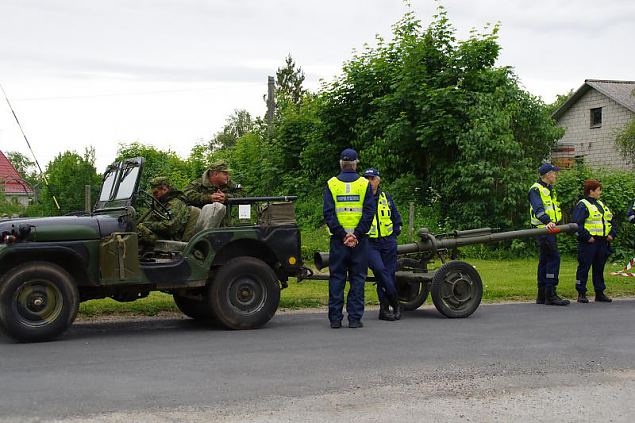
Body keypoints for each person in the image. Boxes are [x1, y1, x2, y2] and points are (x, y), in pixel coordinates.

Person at [323, 148, 375, 329]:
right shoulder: (364, 184)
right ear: (355, 164)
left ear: (341, 164)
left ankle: (335, 319)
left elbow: (329, 214)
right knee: (358, 279)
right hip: (360, 241)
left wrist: (343, 235)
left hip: (339, 241)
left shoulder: (331, 184)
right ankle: (354, 319)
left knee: (337, 278)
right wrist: (356, 234)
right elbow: (369, 213)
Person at [363, 168, 403, 321]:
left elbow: (395, 217)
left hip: (388, 242)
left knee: (388, 275)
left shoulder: (386, 197)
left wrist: (395, 232)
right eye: (366, 178)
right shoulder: (362, 199)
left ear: (378, 180)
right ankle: (396, 303)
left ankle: (384, 309)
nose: (369, 181)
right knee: (380, 271)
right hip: (370, 243)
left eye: (372, 178)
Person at [529, 163, 569, 306]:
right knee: (554, 258)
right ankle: (550, 294)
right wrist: (548, 221)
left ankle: (542, 295)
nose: (555, 175)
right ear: (547, 175)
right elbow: (538, 209)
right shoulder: (536, 189)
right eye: (554, 173)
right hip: (543, 229)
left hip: (549, 229)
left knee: (545, 259)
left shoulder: (549, 189)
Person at [573, 179, 615, 303]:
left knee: (599, 268)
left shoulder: (601, 205)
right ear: (591, 191)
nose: (600, 192)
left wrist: (612, 234)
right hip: (589, 242)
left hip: (602, 242)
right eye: (598, 190)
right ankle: (581, 293)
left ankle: (599, 292)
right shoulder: (582, 205)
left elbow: (611, 220)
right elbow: (577, 224)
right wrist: (587, 237)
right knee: (584, 267)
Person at [137, 177, 198, 247]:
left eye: (156, 192)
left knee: (139, 231)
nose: (154, 196)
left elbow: (170, 226)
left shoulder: (176, 203)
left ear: (165, 189)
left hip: (170, 238)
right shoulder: (160, 204)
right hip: (160, 236)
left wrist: (146, 225)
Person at [183, 161, 242, 229]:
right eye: (225, 174)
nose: (228, 176)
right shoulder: (198, 184)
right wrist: (209, 198)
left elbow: (243, 195)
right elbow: (186, 195)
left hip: (224, 227)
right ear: (216, 174)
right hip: (200, 227)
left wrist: (226, 197)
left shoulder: (230, 184)